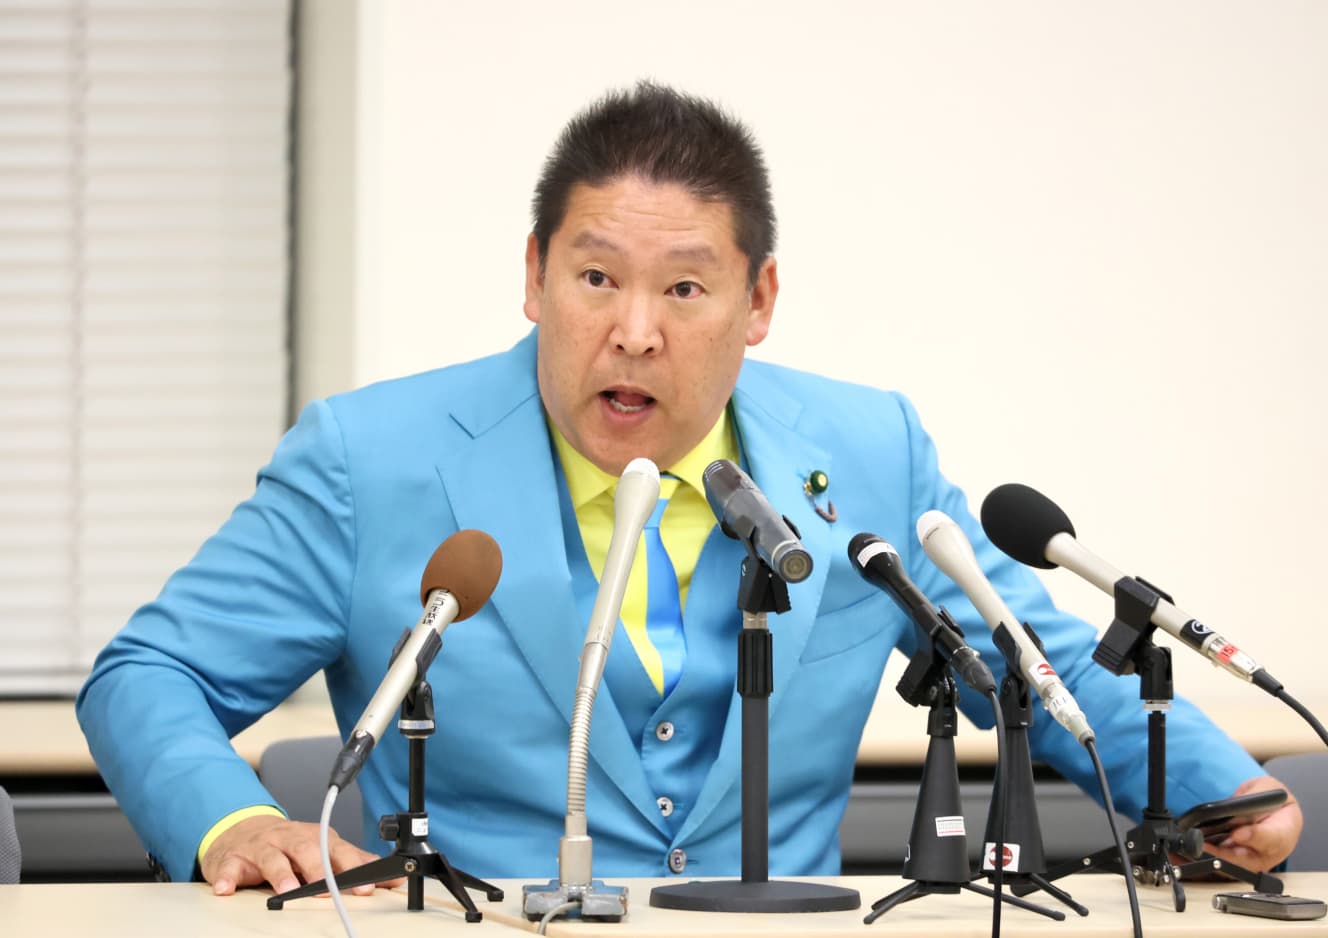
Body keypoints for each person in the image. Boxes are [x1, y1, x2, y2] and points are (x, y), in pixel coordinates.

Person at [77, 81, 1301, 896]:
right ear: (532, 276)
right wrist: (233, 821)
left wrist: (1217, 790)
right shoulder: (371, 457)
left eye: (682, 288)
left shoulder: (865, 447)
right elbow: (149, 673)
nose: (632, 331)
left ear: (756, 301)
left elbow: (1031, 660)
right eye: (594, 278)